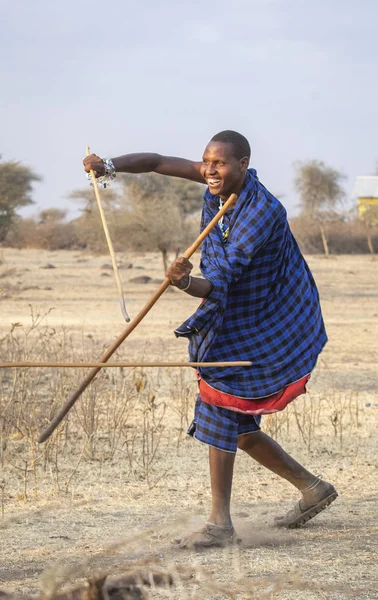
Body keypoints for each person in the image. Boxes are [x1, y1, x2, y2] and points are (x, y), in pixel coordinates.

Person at [83, 130, 338, 549]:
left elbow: (221, 281)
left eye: (219, 163)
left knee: (219, 401)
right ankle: (312, 488)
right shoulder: (213, 181)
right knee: (232, 417)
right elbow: (158, 161)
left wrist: (183, 284)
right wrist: (109, 165)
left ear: (243, 163)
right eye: (206, 162)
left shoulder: (262, 212)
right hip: (238, 314)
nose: (209, 170)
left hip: (271, 317)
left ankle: (220, 525)